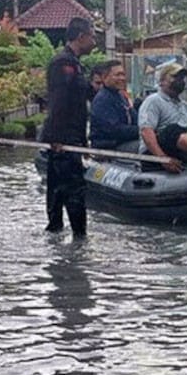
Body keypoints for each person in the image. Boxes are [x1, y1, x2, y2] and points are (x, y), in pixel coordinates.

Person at [39, 17, 96, 238]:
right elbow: (59, 102)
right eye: (92, 36)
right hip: (63, 139)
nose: (94, 42)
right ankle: (79, 242)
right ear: (81, 37)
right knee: (73, 190)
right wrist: (58, 139)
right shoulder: (63, 64)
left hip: (71, 137)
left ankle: (60, 241)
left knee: (57, 189)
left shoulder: (75, 63)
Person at [89, 60, 140, 152]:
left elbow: (135, 118)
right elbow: (115, 130)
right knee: (149, 148)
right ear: (105, 77)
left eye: (123, 75)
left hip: (125, 142)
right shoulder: (102, 99)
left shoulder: (121, 96)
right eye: (118, 75)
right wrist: (140, 131)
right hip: (110, 147)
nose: (122, 78)